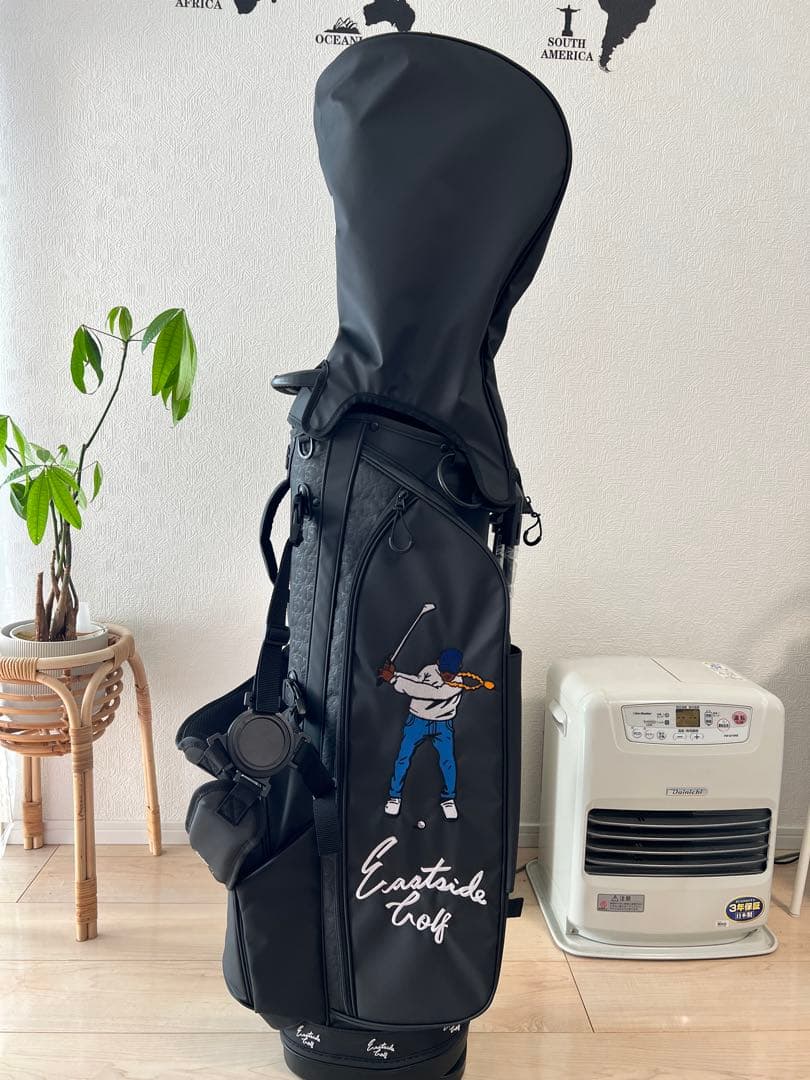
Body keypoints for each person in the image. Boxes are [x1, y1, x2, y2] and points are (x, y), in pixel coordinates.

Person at [378, 648, 465, 821]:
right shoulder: (429, 669)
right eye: (444, 671)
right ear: (438, 663)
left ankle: (448, 799)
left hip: (443, 725)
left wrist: (394, 679)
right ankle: (394, 797)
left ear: (459, 668)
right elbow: (417, 681)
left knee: (447, 761)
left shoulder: (459, 681)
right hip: (417, 721)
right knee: (403, 758)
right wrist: (396, 674)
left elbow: (429, 692)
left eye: (451, 672)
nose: (447, 676)